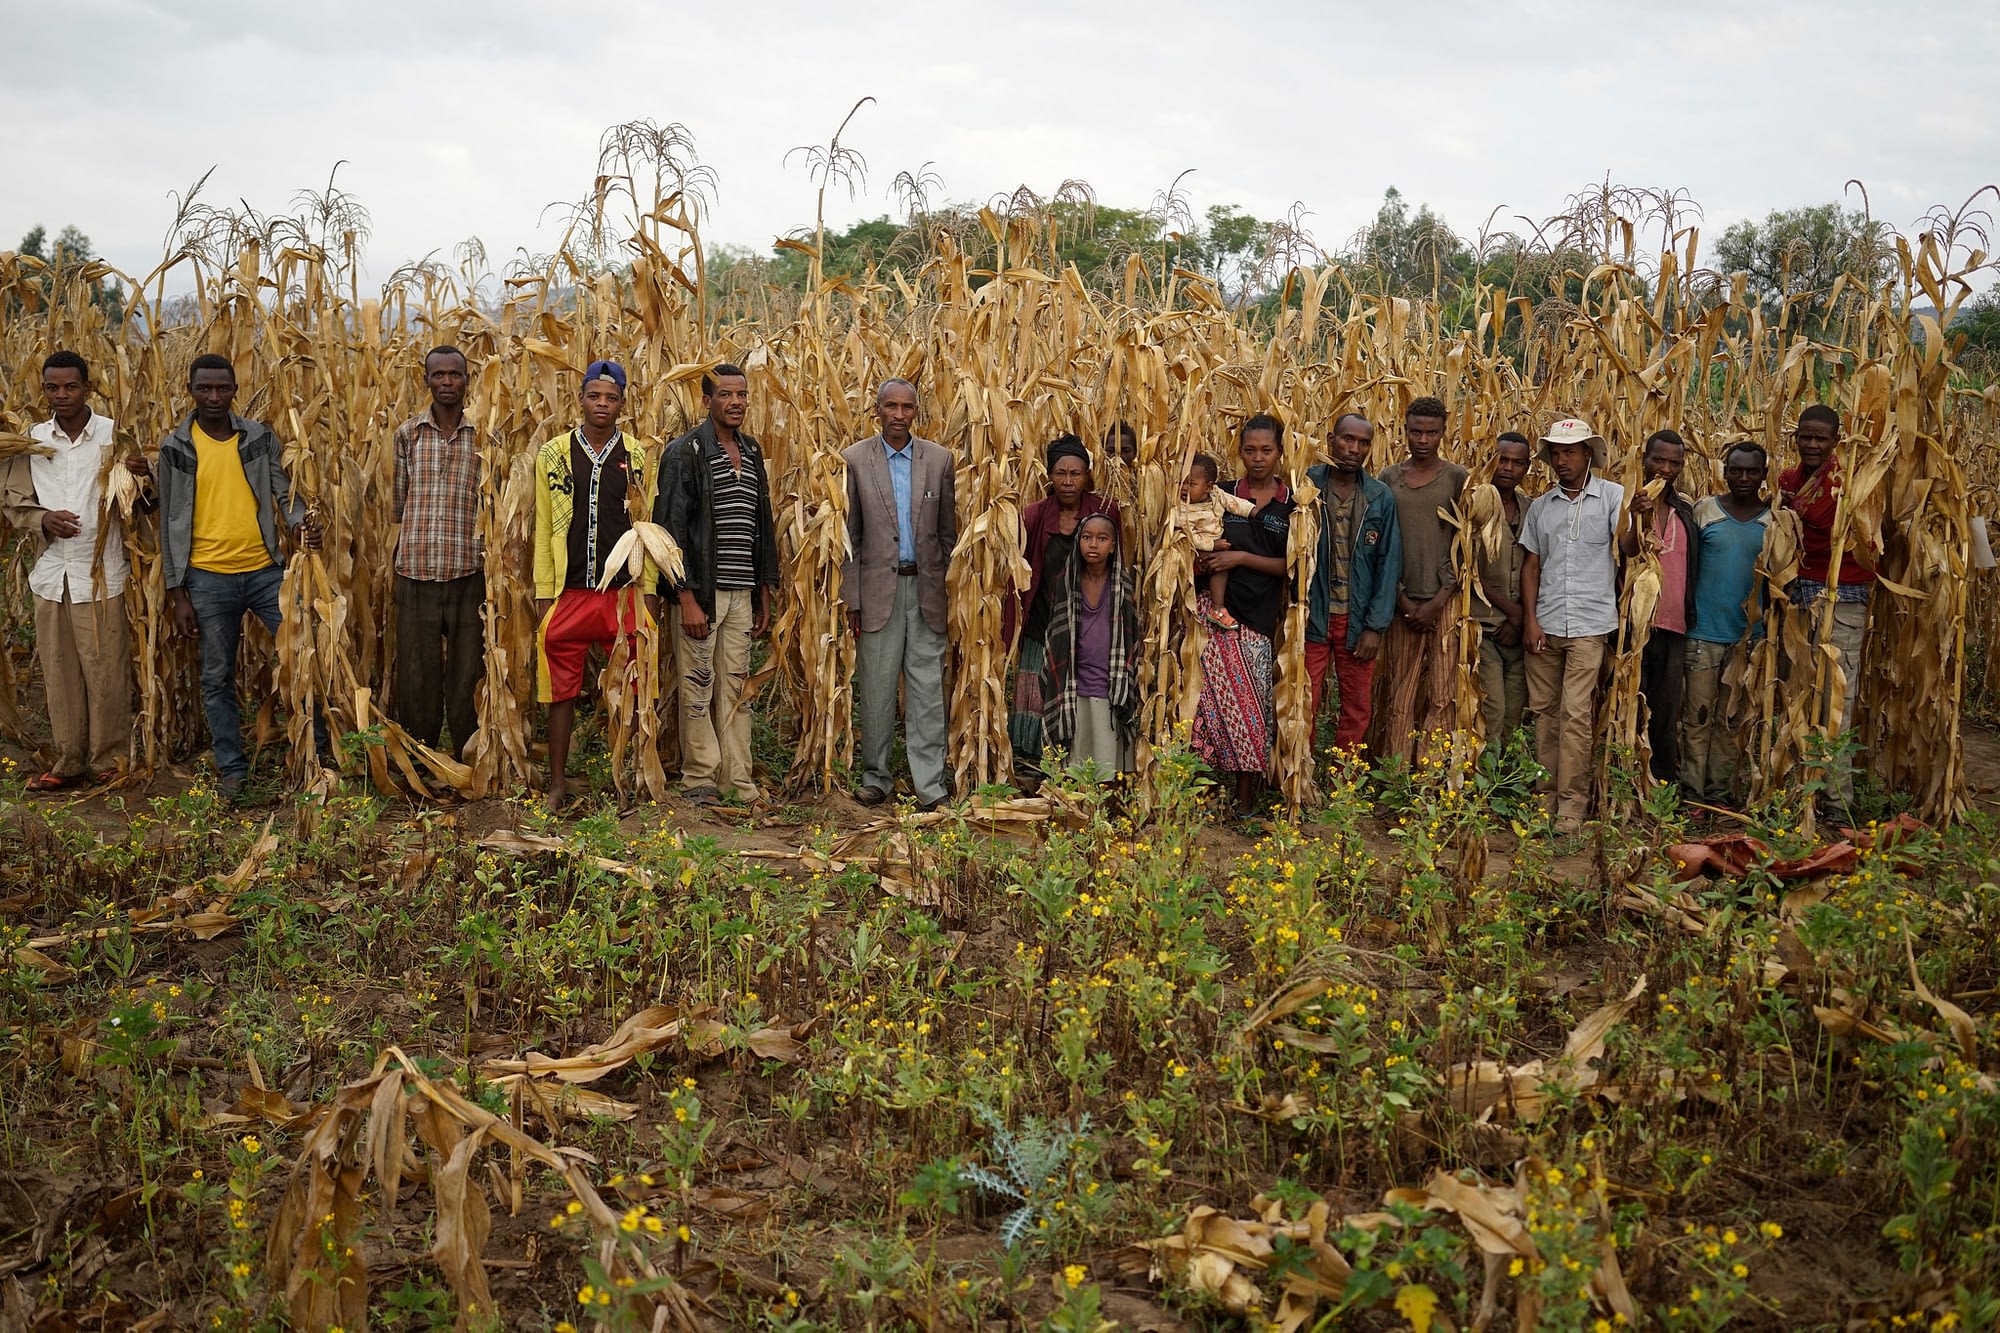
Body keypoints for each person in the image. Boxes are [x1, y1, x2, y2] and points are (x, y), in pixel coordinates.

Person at [149, 353, 325, 801]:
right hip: (207, 578)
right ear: (190, 391)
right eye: (204, 388)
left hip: (266, 572)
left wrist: (302, 525)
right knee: (216, 676)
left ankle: (317, 756)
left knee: (300, 659)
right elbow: (169, 520)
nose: (213, 397)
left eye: (222, 388)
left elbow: (285, 494)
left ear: (233, 390)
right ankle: (233, 770)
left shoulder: (258, 437)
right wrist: (178, 592)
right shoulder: (176, 448)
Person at [0, 351, 135, 790]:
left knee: (105, 670)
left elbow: (140, 496)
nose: (61, 395)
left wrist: (140, 475)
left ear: (87, 388)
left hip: (101, 575)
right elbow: (15, 502)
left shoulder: (113, 436)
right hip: (50, 576)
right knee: (58, 672)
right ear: (44, 390)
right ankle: (69, 760)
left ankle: (109, 760)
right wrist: (41, 519)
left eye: (70, 386)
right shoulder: (33, 442)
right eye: (52, 387)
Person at [532, 360, 659, 811]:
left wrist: (647, 590)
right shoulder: (553, 454)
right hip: (569, 592)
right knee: (560, 692)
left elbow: (646, 527)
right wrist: (545, 594)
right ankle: (558, 783)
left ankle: (629, 779)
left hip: (621, 593)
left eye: (611, 398)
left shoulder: (638, 455)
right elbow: (546, 527)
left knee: (631, 690)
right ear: (580, 399)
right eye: (594, 396)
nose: (601, 404)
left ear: (623, 403)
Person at [656, 362, 780, 807]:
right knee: (698, 685)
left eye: (742, 395)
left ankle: (738, 780)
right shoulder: (684, 453)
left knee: (738, 688)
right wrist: (685, 597)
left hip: (741, 592)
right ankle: (699, 780)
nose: (736, 402)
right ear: (706, 401)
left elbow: (760, 526)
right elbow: (670, 531)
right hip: (702, 595)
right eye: (726, 395)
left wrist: (764, 588)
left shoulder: (750, 451)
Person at [842, 379, 957, 810]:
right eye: (890, 405)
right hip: (876, 593)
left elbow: (948, 534)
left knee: (928, 688)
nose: (898, 414)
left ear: (915, 412)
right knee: (876, 687)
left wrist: (946, 588)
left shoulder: (939, 460)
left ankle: (930, 785)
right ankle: (876, 777)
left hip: (925, 590)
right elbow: (849, 537)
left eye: (907, 407)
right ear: (876, 410)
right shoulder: (855, 460)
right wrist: (852, 597)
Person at [1519, 417, 1624, 835]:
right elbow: (1532, 565)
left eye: (1569, 452)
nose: (1560, 460)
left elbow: (1629, 548)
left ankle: (1572, 806)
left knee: (1576, 714)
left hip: (1589, 624)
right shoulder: (1542, 507)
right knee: (1544, 714)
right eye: (1556, 453)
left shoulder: (1614, 497)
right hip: (1545, 624)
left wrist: (1638, 515)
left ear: (1588, 455)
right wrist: (1531, 619)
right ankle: (1543, 797)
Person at [1190, 414, 1296, 815]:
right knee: (1206, 705)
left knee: (1252, 710)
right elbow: (1193, 535)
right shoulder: (1222, 493)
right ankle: (1201, 794)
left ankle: (1245, 801)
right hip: (1215, 615)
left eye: (1266, 450)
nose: (1258, 458)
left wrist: (1241, 557)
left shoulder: (1291, 504)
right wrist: (1204, 561)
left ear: (1280, 453)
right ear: (1240, 452)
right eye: (1250, 450)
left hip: (1257, 618)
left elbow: (1292, 565)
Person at [1779, 404, 1877, 811]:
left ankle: (1838, 801)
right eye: (1805, 436)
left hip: (1845, 598)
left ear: (1837, 440)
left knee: (1839, 697)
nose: (1812, 444)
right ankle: (1802, 792)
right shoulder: (1789, 477)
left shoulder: (1852, 481)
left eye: (1821, 438)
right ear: (1796, 436)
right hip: (1801, 597)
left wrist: (1796, 509)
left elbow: (1826, 518)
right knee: (1799, 692)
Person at [391, 345, 485, 763]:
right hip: (415, 570)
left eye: (455, 375)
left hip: (469, 571)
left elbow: (493, 507)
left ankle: (469, 758)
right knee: (417, 674)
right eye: (438, 375)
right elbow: (399, 504)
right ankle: (418, 759)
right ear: (425, 380)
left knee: (470, 674)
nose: (447, 382)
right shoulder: (407, 434)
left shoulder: (484, 437)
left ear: (468, 380)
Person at [1368, 396, 1469, 764]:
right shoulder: (1389, 479)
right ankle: (1396, 777)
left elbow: (1465, 546)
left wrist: (1440, 600)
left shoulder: (1458, 479)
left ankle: (1430, 776)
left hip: (1444, 601)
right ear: (1405, 430)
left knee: (1443, 695)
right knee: (1401, 693)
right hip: (1401, 602)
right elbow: (1378, 544)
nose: (1423, 440)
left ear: (1443, 433)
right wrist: (1402, 601)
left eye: (1431, 432)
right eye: (1415, 432)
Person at [1008, 435, 1119, 768]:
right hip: (1043, 620)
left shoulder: (1104, 510)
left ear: (1087, 476)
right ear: (1050, 476)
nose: (1068, 481)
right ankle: (1034, 766)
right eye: (1061, 473)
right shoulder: (1034, 515)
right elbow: (1022, 568)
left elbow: (1118, 565)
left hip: (1088, 624)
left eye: (1076, 473)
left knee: (1080, 697)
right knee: (1038, 694)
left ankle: (1075, 763)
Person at [1683, 443, 1774, 805]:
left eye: (1752, 471)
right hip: (1703, 636)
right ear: (1725, 472)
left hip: (1747, 640)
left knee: (1730, 721)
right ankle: (1692, 794)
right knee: (1696, 719)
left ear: (1763, 475)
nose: (1744, 478)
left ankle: (1720, 795)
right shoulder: (1704, 511)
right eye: (1736, 470)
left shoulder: (1775, 520)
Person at [1303, 413, 1400, 751]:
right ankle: (1299, 775)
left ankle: (1345, 782)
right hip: (1313, 615)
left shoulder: (1379, 496)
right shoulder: (1307, 487)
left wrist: (1375, 626)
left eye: (1363, 443)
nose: (1354, 448)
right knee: (1304, 699)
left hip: (1356, 620)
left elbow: (1389, 564)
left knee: (1356, 705)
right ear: (1331, 440)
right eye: (1347, 439)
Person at [1619, 429, 1701, 783]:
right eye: (1658, 460)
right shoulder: (1626, 503)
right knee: (1628, 702)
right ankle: (1623, 780)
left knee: (1666, 710)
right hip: (1633, 626)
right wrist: (1638, 516)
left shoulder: (1685, 511)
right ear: (1644, 460)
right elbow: (1627, 551)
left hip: (1674, 626)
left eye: (1674, 462)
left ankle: (1661, 784)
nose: (1665, 468)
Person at [1040, 512, 1142, 776]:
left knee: (1109, 764)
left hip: (1110, 684)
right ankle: (1079, 813)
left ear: (1113, 546)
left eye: (1102, 538)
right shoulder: (1067, 582)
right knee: (1076, 760)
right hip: (1075, 682)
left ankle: (1106, 813)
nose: (1093, 544)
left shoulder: (1123, 586)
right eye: (1086, 537)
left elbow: (1132, 639)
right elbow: (1057, 634)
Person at [1473, 432, 1531, 744]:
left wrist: (1521, 619)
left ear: (1527, 467)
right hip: (1484, 628)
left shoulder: (1531, 509)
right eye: (1502, 460)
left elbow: (1538, 568)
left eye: (1517, 463)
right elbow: (1467, 569)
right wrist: (1512, 613)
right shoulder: (1476, 505)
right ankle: (1484, 780)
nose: (1508, 468)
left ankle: (1505, 784)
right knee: (1491, 708)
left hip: (1520, 634)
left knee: (1513, 712)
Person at [1176, 453, 1255, 626]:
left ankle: (1217, 608)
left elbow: (1235, 503)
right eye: (1181, 482)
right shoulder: (1180, 509)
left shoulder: (1217, 495)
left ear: (1208, 487)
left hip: (1213, 553)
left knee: (1221, 567)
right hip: (1192, 553)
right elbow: (1188, 535)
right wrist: (1212, 545)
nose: (1184, 489)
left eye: (1191, 484)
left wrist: (1254, 512)